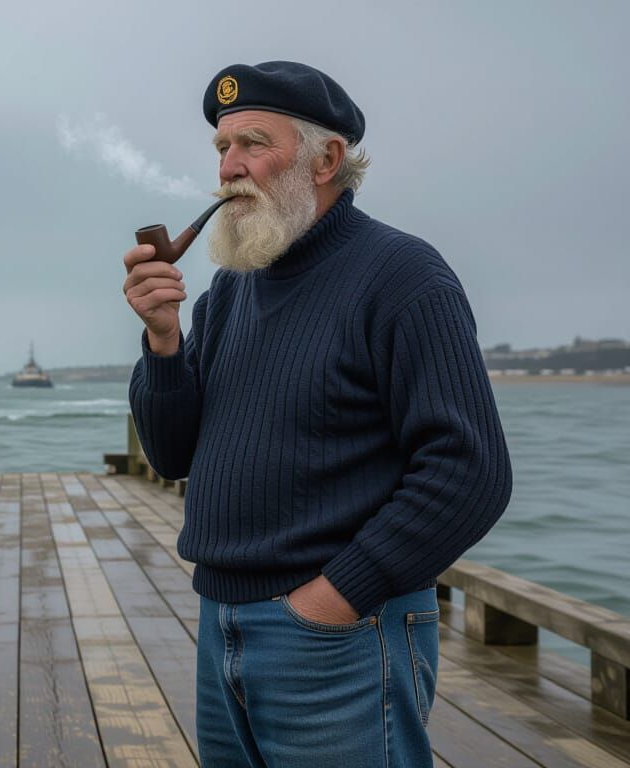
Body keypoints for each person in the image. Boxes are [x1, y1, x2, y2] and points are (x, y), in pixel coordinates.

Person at [122, 61, 512, 768]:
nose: (229, 167)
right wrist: (162, 340)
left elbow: (469, 471)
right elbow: (172, 455)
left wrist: (334, 599)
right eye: (221, 148)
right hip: (222, 625)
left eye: (253, 145)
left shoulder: (402, 276)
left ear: (327, 159)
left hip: (341, 632)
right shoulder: (229, 293)